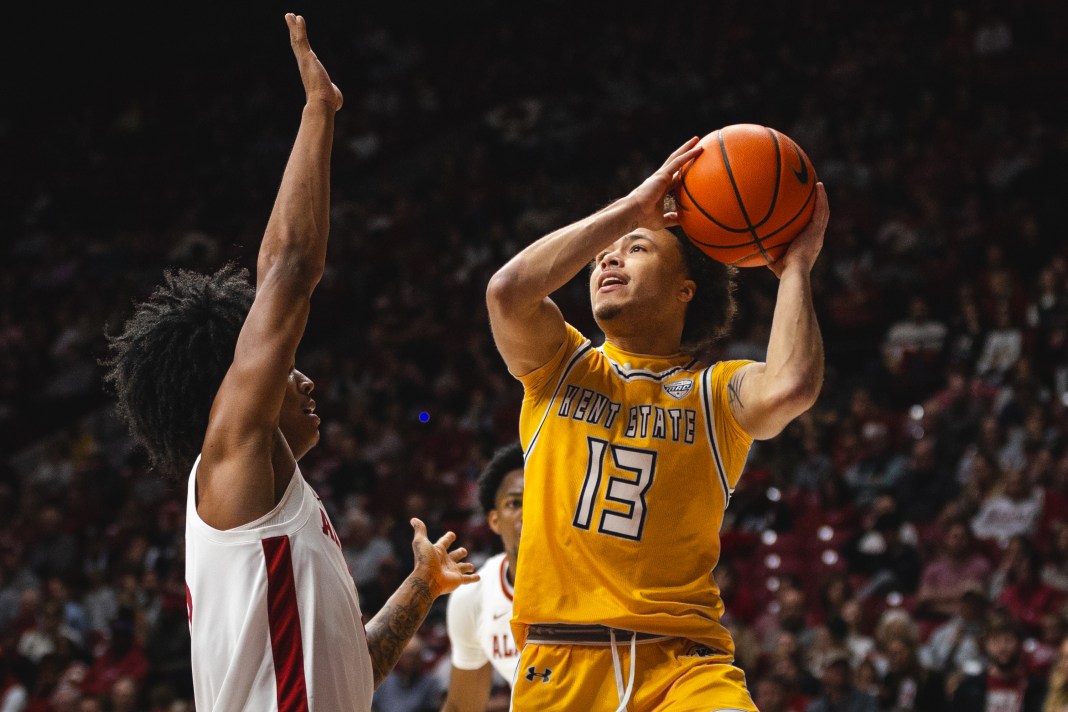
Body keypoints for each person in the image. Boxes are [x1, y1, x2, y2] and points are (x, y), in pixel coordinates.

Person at [102, 14, 477, 711]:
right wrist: (318, 113)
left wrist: (420, 587)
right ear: (234, 390)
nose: (301, 378)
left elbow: (351, 671)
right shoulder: (230, 466)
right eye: (282, 368)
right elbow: (289, 270)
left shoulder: (268, 512)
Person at [486, 137, 828, 710]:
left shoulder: (716, 392)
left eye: (636, 248)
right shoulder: (560, 368)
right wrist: (630, 211)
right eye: (603, 255)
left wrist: (795, 269)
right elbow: (508, 292)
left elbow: (792, 384)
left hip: (683, 669)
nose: (608, 259)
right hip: (561, 668)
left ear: (684, 290)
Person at [442, 442, 524, 712]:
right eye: (515, 503)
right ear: (494, 520)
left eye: (540, 499)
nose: (528, 513)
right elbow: (461, 706)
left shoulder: (590, 579)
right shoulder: (474, 595)